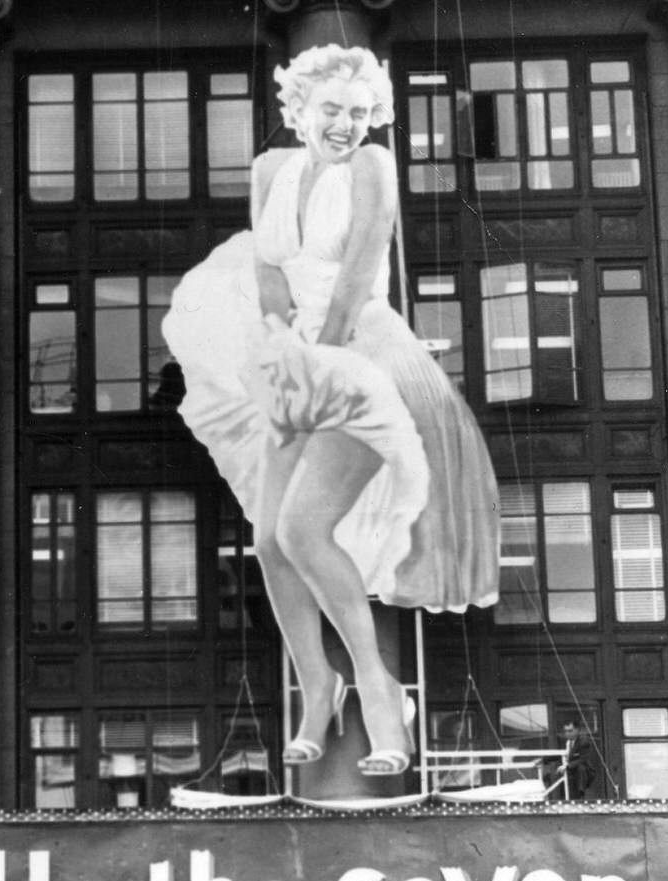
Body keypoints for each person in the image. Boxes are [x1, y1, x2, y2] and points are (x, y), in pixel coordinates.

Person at [163, 43, 499, 780]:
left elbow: (355, 278)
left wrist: (324, 362)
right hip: (295, 356)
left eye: (359, 112)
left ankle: (379, 690)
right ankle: (319, 683)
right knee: (270, 539)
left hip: (363, 357)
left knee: (305, 527)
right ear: (300, 110)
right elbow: (268, 278)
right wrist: (284, 356)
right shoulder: (268, 171)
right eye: (333, 110)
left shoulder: (373, 168)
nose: (346, 124)